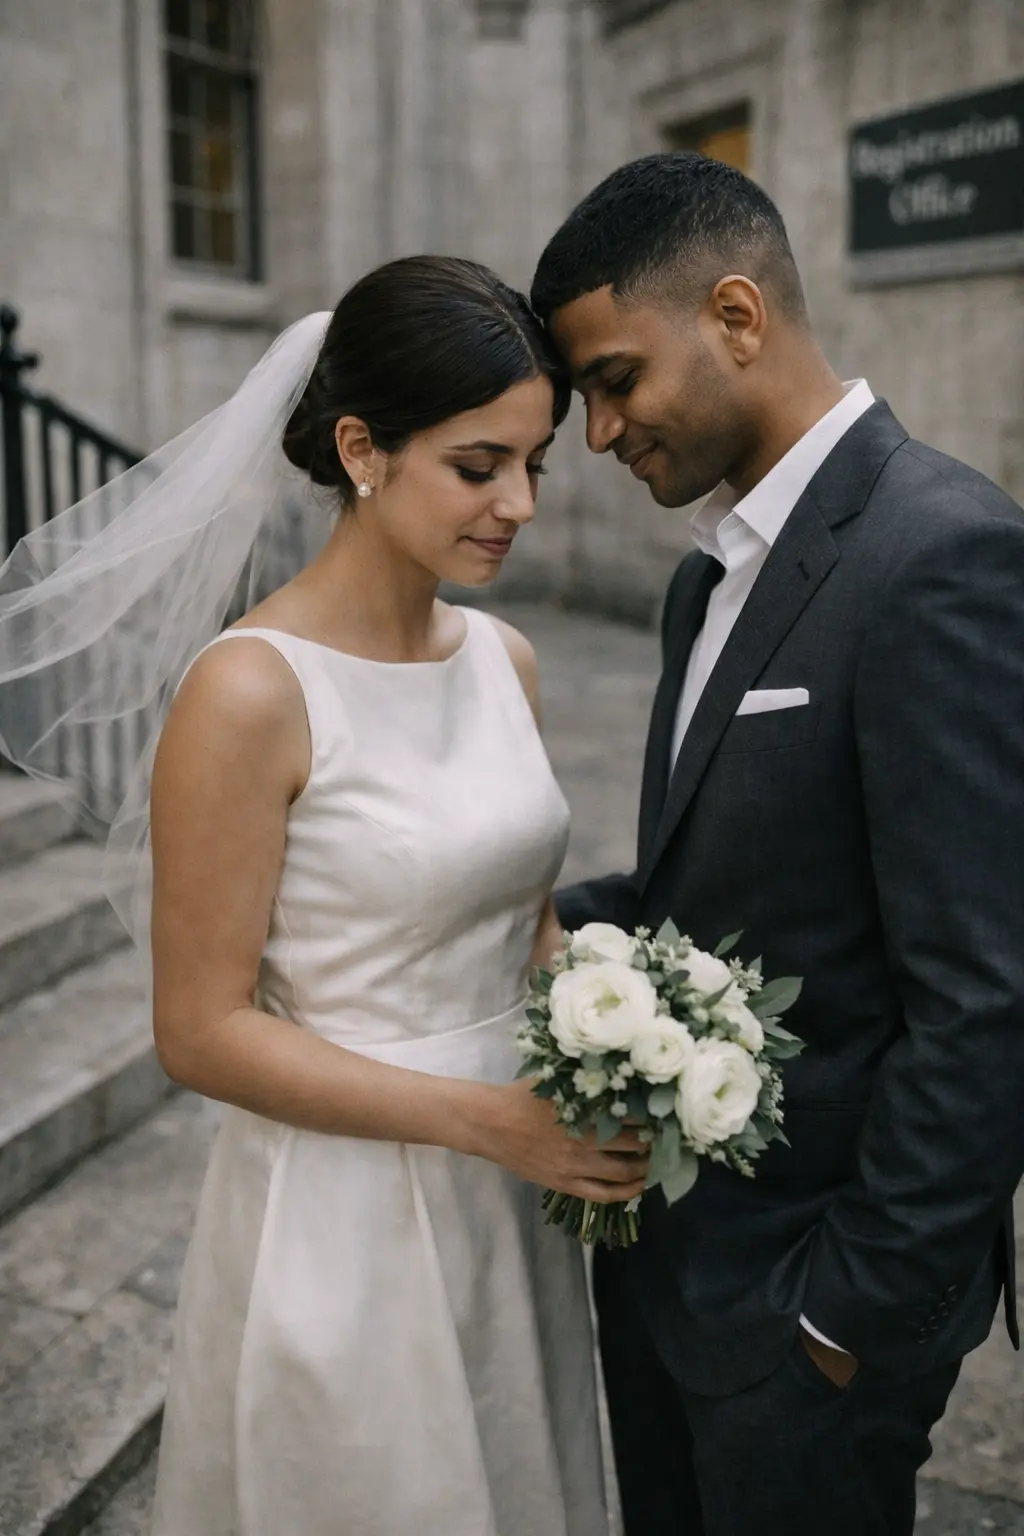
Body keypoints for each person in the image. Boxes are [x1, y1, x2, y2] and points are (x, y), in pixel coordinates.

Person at [0, 257, 645, 1535]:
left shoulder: (504, 661)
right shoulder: (248, 692)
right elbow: (201, 1032)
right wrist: (489, 1122)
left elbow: (525, 924)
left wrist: (622, 1040)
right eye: (478, 466)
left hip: (515, 1193)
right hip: (351, 1212)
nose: (519, 504)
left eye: (534, 465)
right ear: (361, 450)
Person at [531, 153, 1024, 1536]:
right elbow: (716, 890)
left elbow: (987, 994)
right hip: (669, 1271)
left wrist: (842, 1319)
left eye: (614, 380)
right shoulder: (706, 580)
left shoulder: (944, 554)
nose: (597, 433)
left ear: (737, 316)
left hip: (809, 1318)